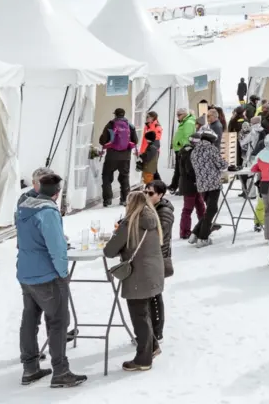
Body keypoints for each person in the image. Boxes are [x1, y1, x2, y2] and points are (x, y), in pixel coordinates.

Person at [16, 173, 87, 388]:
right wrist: (63, 272)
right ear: (56, 194)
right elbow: (56, 248)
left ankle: (30, 368)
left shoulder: (23, 208)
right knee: (58, 322)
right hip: (46, 275)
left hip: (25, 272)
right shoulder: (48, 213)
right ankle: (61, 372)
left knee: (30, 320)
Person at [103, 191, 166, 372]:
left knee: (139, 316)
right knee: (144, 312)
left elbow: (109, 251)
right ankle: (152, 346)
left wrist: (116, 234)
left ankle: (143, 359)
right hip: (154, 271)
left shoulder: (130, 223)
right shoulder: (152, 219)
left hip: (138, 274)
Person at [144, 181, 174, 343]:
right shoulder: (151, 208)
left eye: (150, 193)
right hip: (151, 257)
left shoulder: (164, 212)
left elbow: (159, 235)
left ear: (160, 195)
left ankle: (157, 332)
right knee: (149, 295)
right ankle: (150, 331)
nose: (146, 195)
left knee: (155, 295)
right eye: (145, 192)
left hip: (158, 258)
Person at [188, 130, 226, 247]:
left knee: (210, 209)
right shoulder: (211, 149)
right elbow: (221, 165)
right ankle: (202, 237)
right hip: (213, 183)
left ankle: (195, 233)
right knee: (212, 209)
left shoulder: (194, 151)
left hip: (202, 184)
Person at [98, 108, 137, 207]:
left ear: (115, 115)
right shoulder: (130, 126)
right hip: (125, 157)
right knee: (124, 177)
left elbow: (103, 140)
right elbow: (135, 140)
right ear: (124, 115)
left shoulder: (110, 124)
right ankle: (124, 200)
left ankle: (107, 200)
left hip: (111, 156)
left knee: (106, 177)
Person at [168, 107, 196, 193]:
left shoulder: (188, 123)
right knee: (178, 168)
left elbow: (187, 136)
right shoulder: (185, 122)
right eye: (177, 115)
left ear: (184, 114)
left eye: (179, 115)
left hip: (182, 149)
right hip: (179, 149)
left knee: (181, 169)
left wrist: (180, 144)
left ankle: (179, 187)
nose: (177, 117)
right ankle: (174, 185)